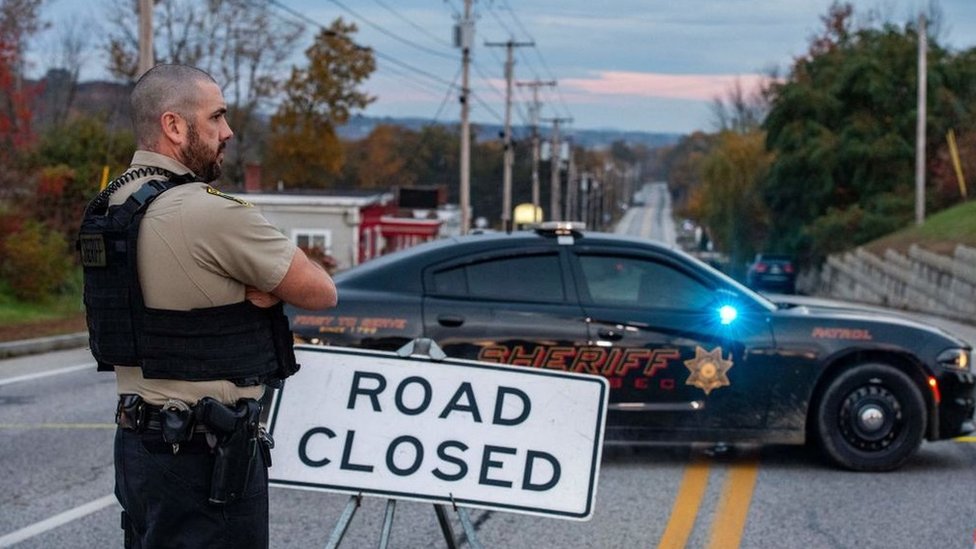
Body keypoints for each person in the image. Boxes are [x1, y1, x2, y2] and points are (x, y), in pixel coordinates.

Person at [78, 64, 336, 548]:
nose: (228, 131)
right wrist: (270, 289)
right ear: (174, 126)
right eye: (216, 117)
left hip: (138, 447)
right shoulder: (209, 212)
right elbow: (321, 290)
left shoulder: (110, 207)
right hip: (206, 455)